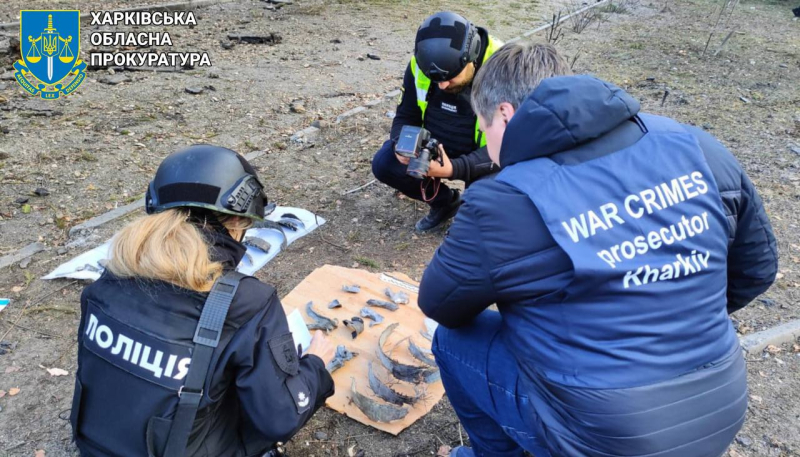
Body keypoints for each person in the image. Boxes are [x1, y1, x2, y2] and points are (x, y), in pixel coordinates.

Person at [419, 42, 778, 457]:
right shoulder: (694, 144)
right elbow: (756, 270)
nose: (492, 152)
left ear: (504, 113)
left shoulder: (504, 200)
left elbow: (441, 304)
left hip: (605, 435)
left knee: (452, 342)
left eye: (487, 129)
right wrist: (667, 303)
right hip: (720, 410)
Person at [69, 145, 335, 457]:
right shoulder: (246, 303)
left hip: (97, 446)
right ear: (236, 223)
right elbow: (278, 419)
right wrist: (315, 366)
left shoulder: (111, 277)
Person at [372, 11, 503, 232]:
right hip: (436, 144)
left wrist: (454, 169)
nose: (442, 86)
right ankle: (446, 203)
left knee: (482, 209)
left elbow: (511, 145)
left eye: (450, 77)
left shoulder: (503, 67)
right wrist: (401, 145)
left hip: (488, 155)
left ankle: (474, 210)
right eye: (436, 80)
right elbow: (406, 115)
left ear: (470, 57)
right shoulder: (421, 64)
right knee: (385, 163)